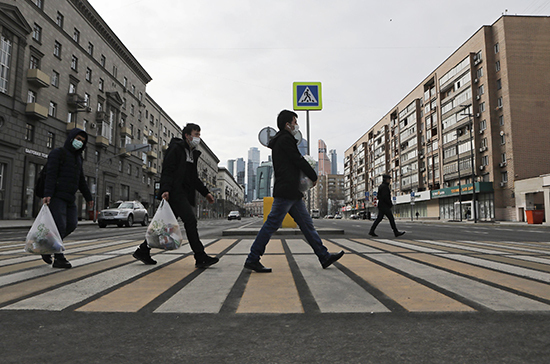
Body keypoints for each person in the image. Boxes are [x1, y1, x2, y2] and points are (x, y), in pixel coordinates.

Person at [244, 110, 344, 273]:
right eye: (295, 122)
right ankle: (252, 258)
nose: (296, 125)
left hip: (291, 191)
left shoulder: (280, 141)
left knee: (307, 225)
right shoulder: (285, 139)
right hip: (286, 190)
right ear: (287, 124)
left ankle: (323, 256)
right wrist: (313, 175)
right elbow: (297, 160)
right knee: (271, 225)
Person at [133, 123, 219, 269]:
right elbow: (168, 169)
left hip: (183, 194)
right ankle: (200, 256)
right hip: (175, 192)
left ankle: (143, 250)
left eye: (199, 134)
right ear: (187, 135)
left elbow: (194, 178)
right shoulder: (176, 148)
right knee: (190, 221)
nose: (198, 137)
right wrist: (165, 189)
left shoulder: (192, 153)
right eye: (196, 134)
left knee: (164, 227)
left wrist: (206, 193)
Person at [42, 128, 94, 268]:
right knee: (60, 225)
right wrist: (47, 194)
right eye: (78, 139)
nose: (80, 143)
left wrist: (88, 196)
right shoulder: (58, 153)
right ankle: (59, 257)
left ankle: (48, 246)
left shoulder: (78, 158)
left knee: (71, 224)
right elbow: (50, 175)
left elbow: (81, 179)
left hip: (70, 198)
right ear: (71, 138)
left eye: (83, 141)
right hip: (57, 196)